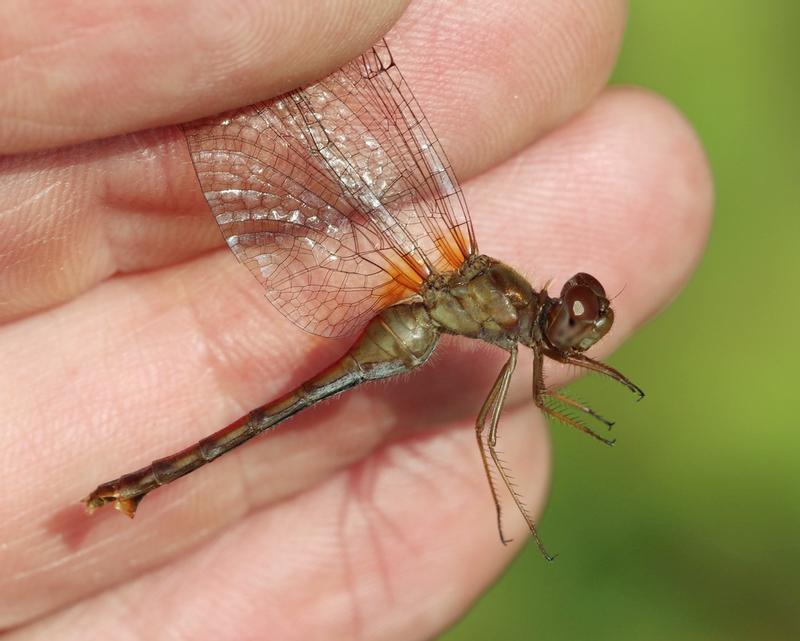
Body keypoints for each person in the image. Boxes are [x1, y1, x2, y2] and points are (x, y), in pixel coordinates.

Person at [0, 0, 712, 638]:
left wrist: (601, 380)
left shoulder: (523, 324)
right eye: (574, 327)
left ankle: (132, 489)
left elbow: (549, 390)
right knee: (484, 438)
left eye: (579, 331)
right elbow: (515, 415)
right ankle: (139, 483)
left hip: (415, 317)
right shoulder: (517, 315)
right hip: (410, 319)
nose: (575, 336)